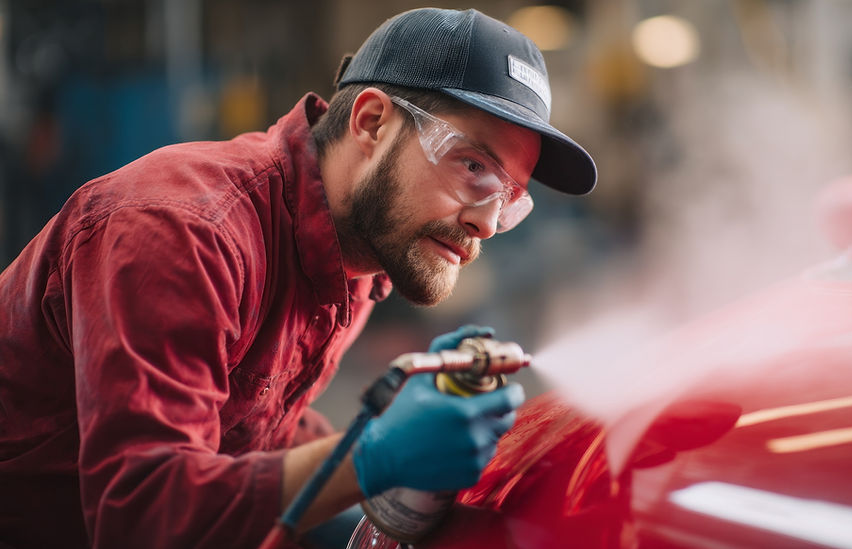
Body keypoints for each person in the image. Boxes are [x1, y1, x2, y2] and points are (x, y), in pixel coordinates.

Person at [0, 7, 596, 549]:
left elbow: (255, 429)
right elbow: (138, 518)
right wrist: (368, 457)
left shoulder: (357, 260)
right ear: (370, 123)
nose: (488, 224)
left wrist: (395, 436)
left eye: (511, 197)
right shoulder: (182, 233)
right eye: (473, 166)